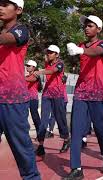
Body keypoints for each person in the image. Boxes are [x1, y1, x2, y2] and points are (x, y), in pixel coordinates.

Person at [64, 15, 103, 179]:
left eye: (90, 25)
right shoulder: (80, 45)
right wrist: (77, 50)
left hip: (98, 93)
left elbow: (97, 52)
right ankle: (76, 168)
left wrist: (81, 50)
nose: (86, 28)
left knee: (100, 130)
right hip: (81, 92)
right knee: (76, 131)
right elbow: (81, 56)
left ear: (98, 29)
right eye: (85, 26)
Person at [0, 0, 41, 179]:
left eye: (5, 4)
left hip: (13, 99)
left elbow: (7, 39)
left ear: (18, 10)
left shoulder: (21, 30)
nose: (0, 7)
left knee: (21, 148)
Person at [34, 45, 70, 156]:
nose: (48, 54)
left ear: (57, 54)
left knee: (60, 119)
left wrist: (39, 72)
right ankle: (40, 145)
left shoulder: (60, 63)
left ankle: (66, 139)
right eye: (47, 52)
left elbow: (52, 71)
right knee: (44, 120)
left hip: (58, 95)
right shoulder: (47, 62)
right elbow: (46, 63)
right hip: (46, 95)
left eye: (51, 52)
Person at [25, 60, 42, 135]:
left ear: (34, 67)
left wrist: (20, 77)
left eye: (29, 66)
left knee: (35, 117)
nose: (27, 67)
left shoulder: (36, 75)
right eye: (26, 65)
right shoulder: (26, 77)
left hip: (33, 99)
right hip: (25, 99)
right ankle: (24, 132)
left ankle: (40, 133)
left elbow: (31, 80)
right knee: (23, 116)